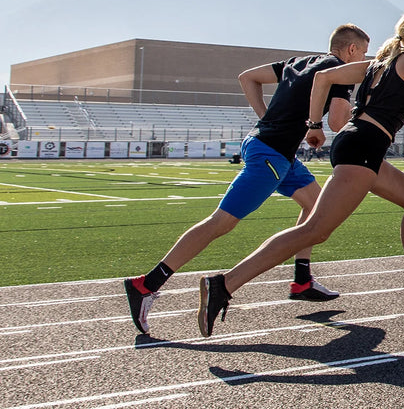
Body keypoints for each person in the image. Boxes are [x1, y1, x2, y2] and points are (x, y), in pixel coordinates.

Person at [198, 10, 404, 337]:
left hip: (356, 143)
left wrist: (314, 124)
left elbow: (323, 79)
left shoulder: (379, 62)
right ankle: (224, 284)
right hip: (364, 147)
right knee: (315, 230)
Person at [121, 24, 369, 335]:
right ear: (351, 51)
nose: (362, 59)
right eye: (362, 53)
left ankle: (302, 279)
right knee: (220, 223)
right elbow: (336, 122)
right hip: (271, 156)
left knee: (314, 207)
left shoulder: (299, 62)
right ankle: (147, 284)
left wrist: (268, 119)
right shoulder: (339, 73)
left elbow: (247, 77)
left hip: (270, 148)